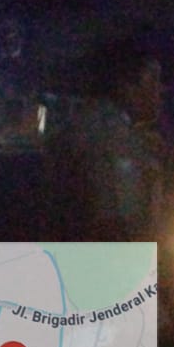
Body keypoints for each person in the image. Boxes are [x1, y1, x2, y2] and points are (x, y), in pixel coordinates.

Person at [46, 38, 165, 240]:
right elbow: (116, 223)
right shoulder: (112, 137)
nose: (160, 90)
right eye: (153, 81)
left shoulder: (87, 123)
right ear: (127, 87)